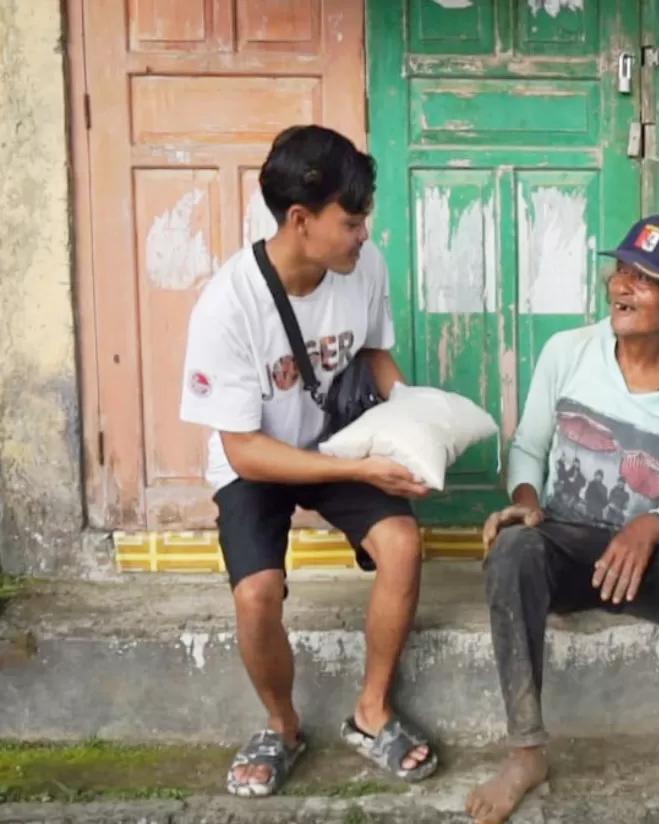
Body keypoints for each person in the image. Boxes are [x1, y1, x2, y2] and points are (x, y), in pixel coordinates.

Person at [467, 216, 659, 824]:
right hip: (567, 547)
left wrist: (650, 525)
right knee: (512, 551)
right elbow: (527, 448)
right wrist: (527, 499)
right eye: (622, 271)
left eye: (646, 279)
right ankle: (526, 751)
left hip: (645, 565)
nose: (623, 287)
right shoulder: (568, 353)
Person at [179, 125, 435, 797]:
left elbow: (376, 358)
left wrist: (416, 425)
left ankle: (371, 712)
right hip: (260, 459)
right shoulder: (228, 305)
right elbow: (244, 451)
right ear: (300, 220)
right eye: (350, 222)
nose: (363, 235)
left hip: (335, 439)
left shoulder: (363, 266)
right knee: (257, 594)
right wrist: (358, 472)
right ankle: (282, 725)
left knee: (402, 546)